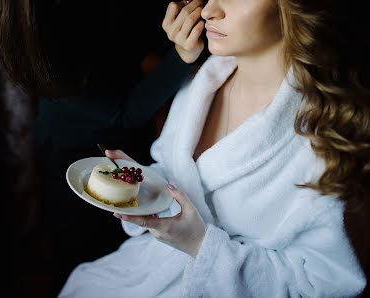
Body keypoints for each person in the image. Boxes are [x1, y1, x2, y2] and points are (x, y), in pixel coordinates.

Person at [58, 0, 370, 297]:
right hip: (148, 267)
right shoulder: (203, 82)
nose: (209, 10)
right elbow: (172, 172)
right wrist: (143, 185)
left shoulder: (328, 137)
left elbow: (318, 285)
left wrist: (201, 244)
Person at [0, 0, 209, 296]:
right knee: (90, 259)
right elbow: (123, 111)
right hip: (73, 153)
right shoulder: (34, 25)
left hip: (134, 136)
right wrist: (181, 55)